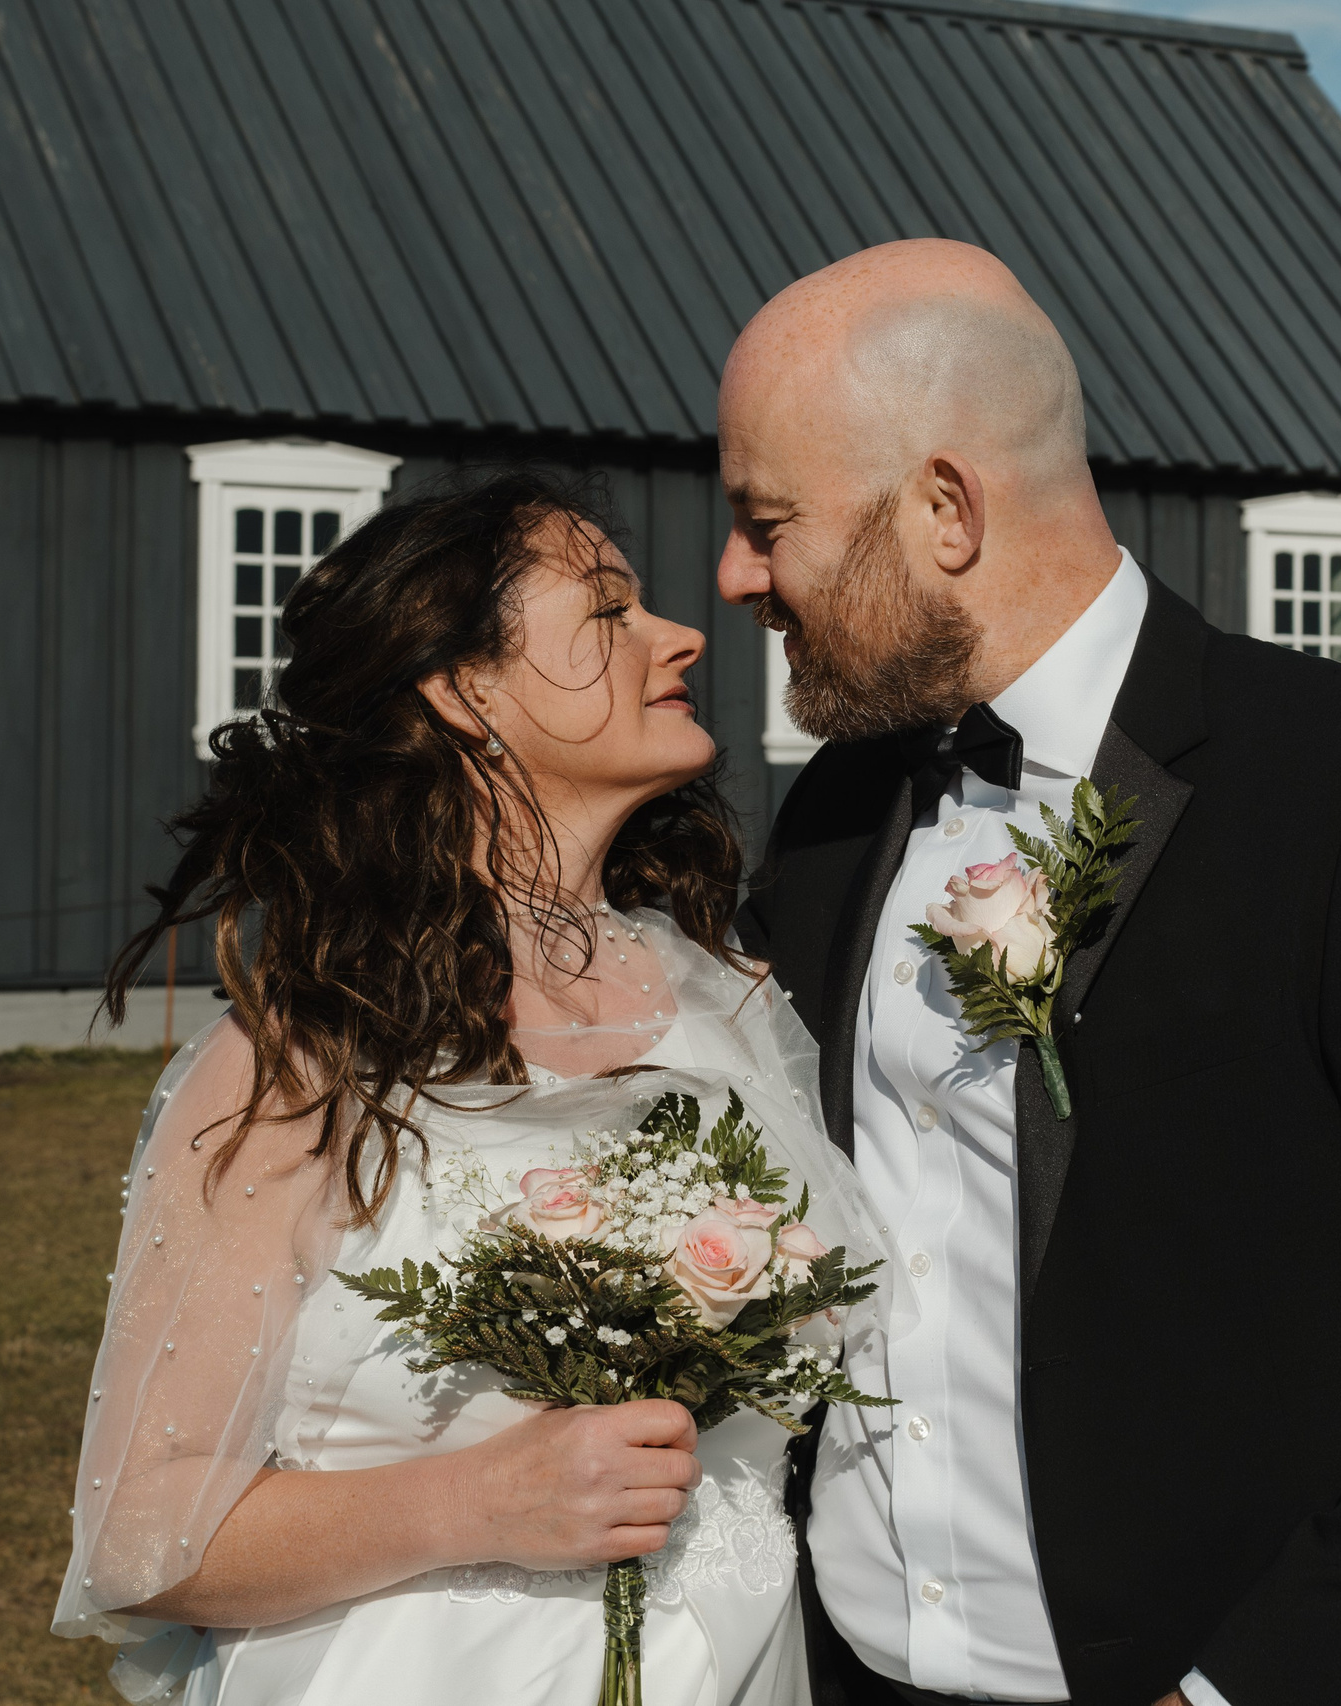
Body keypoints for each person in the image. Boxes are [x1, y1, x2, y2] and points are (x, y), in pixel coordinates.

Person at [723, 240, 1341, 1706]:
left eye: (766, 521)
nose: (736, 575)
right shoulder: (832, 820)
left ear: (945, 508)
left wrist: (1248, 1689)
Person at [53, 469, 889, 1705]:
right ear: (462, 690)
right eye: (608, 611)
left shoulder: (740, 1008)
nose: (678, 634)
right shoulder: (303, 1063)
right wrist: (481, 1499)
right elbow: (141, 1537)